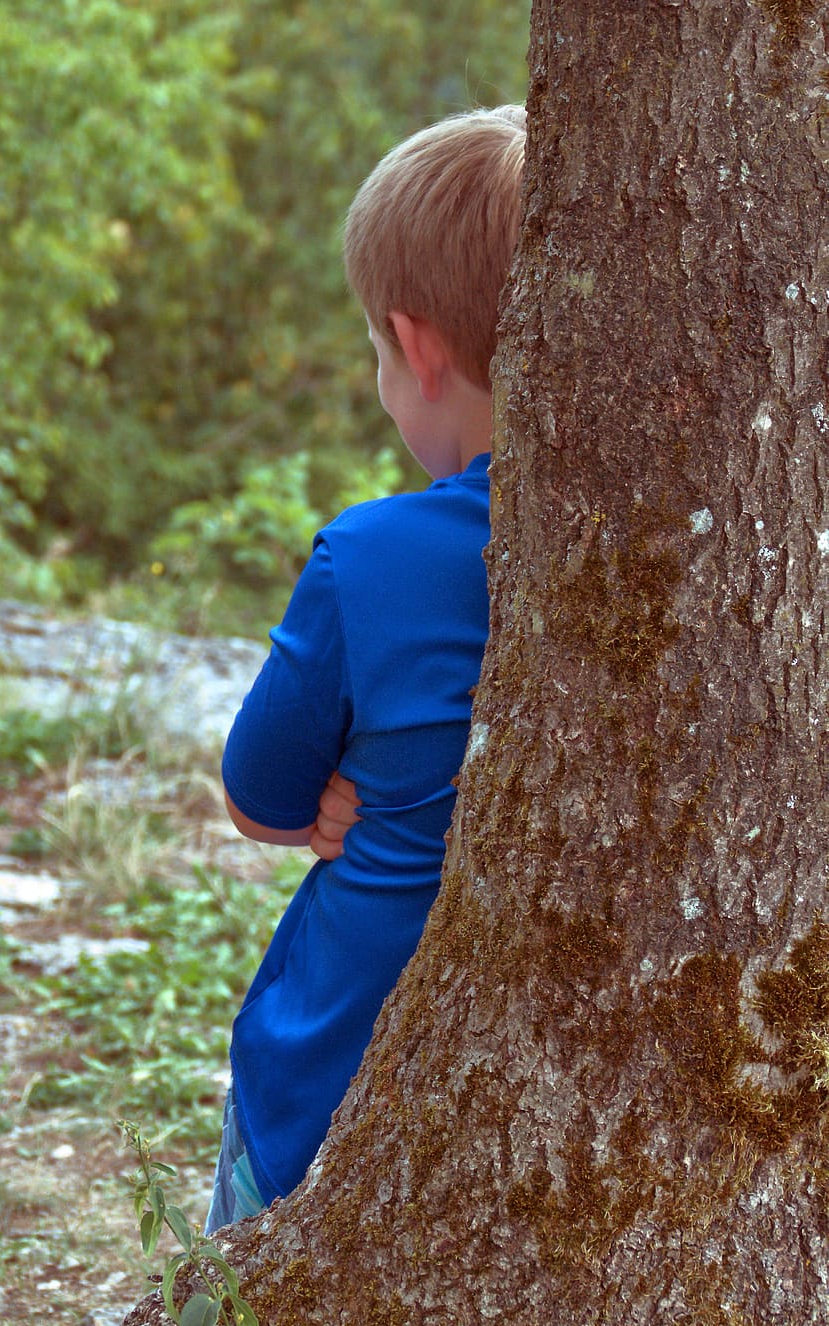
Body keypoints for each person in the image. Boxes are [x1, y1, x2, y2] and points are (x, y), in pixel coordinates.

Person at [206, 105, 527, 1231]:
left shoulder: (370, 558)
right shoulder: (708, 560)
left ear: (419, 344)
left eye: (375, 351)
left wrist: (323, 808)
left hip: (322, 1098)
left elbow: (257, 796)